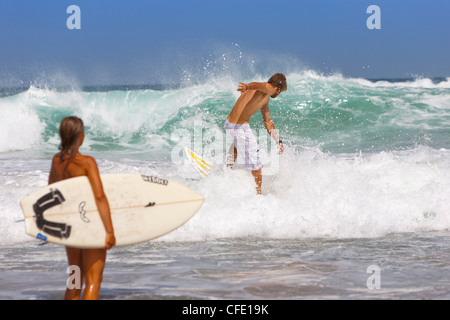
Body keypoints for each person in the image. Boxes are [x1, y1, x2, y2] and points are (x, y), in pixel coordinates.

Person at [48, 116, 116, 300]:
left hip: (70, 227)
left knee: (74, 279)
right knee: (93, 280)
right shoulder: (87, 162)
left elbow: (52, 192)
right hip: (90, 225)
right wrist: (109, 231)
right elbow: (100, 197)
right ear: (80, 137)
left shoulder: (56, 161)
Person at [224, 73, 287, 194]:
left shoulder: (264, 98)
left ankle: (226, 170)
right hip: (239, 127)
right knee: (257, 164)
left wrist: (277, 140)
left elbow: (268, 122)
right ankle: (258, 194)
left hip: (229, 124)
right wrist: (247, 86)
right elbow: (260, 85)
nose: (278, 94)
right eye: (280, 91)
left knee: (237, 144)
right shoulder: (268, 88)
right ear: (278, 89)